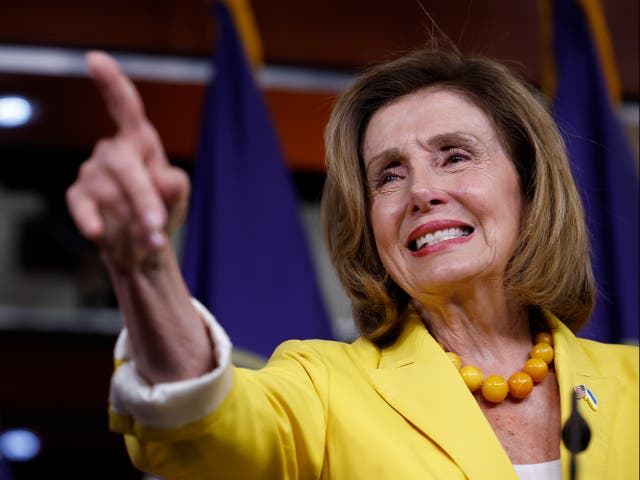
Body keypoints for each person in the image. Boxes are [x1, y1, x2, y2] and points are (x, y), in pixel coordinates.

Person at [66, 47, 638, 479]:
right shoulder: (321, 388)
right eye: (388, 175)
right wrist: (144, 266)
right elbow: (199, 422)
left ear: (531, 189)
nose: (421, 191)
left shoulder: (631, 385)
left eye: (455, 156)